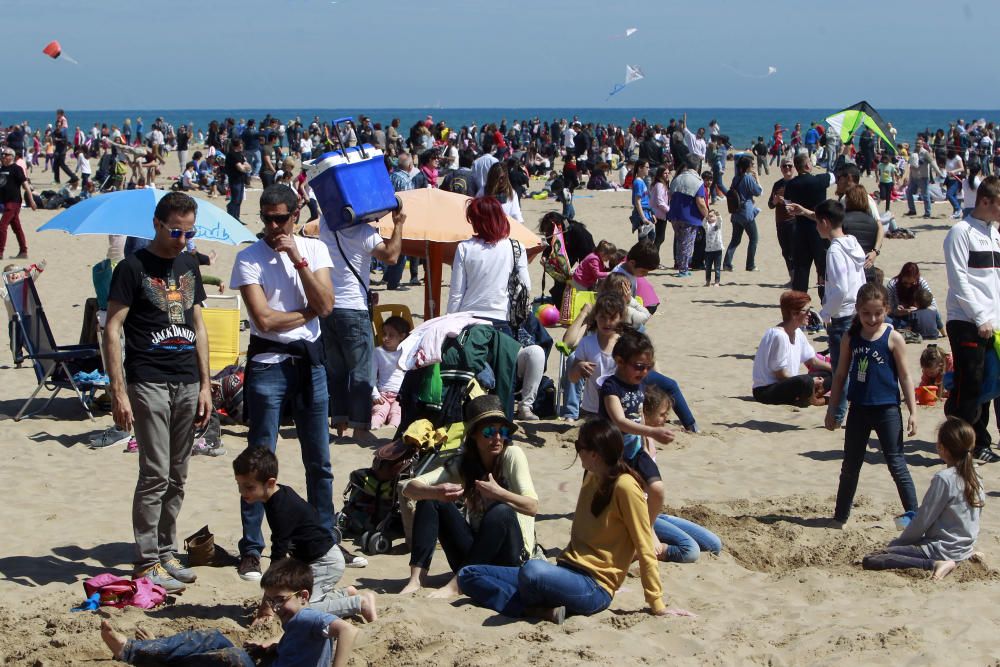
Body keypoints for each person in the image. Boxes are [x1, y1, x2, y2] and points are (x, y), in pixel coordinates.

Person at [103, 192, 212, 593]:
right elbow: (112, 329)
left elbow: (199, 326)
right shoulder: (132, 268)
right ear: (157, 224)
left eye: (189, 232)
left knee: (178, 474)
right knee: (154, 473)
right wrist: (118, 391)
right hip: (147, 379)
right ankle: (147, 559)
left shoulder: (188, 264)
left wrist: (206, 384)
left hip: (187, 380)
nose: (183, 239)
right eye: (176, 231)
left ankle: (166, 552)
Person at [457, 419, 669, 623]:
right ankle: (536, 610)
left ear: (594, 454)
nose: (576, 451)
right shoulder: (591, 477)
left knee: (533, 571)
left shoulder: (625, 487)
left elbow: (644, 545)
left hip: (594, 587)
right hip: (567, 571)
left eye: (579, 446)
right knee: (468, 574)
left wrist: (657, 603)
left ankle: (526, 605)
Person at [230, 185, 336, 581]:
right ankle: (252, 549)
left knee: (319, 460)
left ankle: (323, 539)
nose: (273, 226)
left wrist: (297, 259)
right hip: (268, 364)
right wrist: (309, 312)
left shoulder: (315, 251)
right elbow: (264, 321)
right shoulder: (248, 258)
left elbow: (327, 306)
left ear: (296, 215)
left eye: (281, 218)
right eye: (266, 218)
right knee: (258, 458)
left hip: (310, 364)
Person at [98, 558, 358, 667]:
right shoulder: (299, 617)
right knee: (214, 639)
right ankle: (154, 651)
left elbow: (347, 629)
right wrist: (273, 644)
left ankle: (134, 652)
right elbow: (300, 640)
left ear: (303, 596)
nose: (276, 607)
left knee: (229, 654)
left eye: (280, 600)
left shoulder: (307, 616)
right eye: (270, 601)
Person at [400, 394, 538, 598]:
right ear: (473, 434)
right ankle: (416, 579)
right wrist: (435, 491)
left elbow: (532, 507)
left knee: (501, 511)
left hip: (511, 559)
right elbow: (409, 488)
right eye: (489, 432)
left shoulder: (512, 455)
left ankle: (457, 585)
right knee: (430, 499)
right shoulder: (464, 464)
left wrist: (499, 493)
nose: (497, 438)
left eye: (503, 432)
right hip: (475, 556)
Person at [233, 448, 376, 621]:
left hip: (324, 562)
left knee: (299, 609)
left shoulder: (280, 508)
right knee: (293, 602)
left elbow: (278, 556)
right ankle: (345, 595)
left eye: (249, 487)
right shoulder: (278, 495)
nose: (242, 492)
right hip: (313, 560)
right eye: (239, 485)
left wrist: (267, 604)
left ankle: (359, 603)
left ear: (270, 483)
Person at [825, 282, 918, 524]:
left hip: (887, 409)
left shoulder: (893, 337)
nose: (872, 318)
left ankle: (915, 516)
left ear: (886, 309)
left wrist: (913, 411)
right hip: (859, 409)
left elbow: (906, 376)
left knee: (897, 463)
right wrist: (832, 408)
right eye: (866, 313)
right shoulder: (851, 337)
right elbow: (840, 375)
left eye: (878, 313)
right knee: (850, 466)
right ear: (857, 310)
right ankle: (840, 517)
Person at [319, 198, 405, 439]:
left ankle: (339, 424)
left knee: (336, 370)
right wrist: (398, 224)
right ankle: (359, 427)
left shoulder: (326, 224)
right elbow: (391, 256)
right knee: (361, 372)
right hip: (353, 309)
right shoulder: (363, 232)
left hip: (329, 307)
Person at [861, 417, 984, 580]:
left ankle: (935, 564)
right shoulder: (976, 478)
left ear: (942, 448)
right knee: (897, 542)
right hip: (963, 548)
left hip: (941, 549)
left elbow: (923, 520)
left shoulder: (944, 478)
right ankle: (964, 557)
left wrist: (899, 543)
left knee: (872, 559)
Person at [943, 176, 1000, 463]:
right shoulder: (960, 232)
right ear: (986, 201)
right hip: (965, 319)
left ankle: (979, 441)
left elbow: (995, 281)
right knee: (971, 384)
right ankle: (960, 445)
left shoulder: (995, 234)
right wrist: (979, 317)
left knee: (988, 383)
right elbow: (959, 281)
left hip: (993, 322)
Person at [642, 387, 722, 563]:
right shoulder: (636, 443)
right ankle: (645, 549)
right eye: (662, 414)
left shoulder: (650, 439)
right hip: (639, 516)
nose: (667, 418)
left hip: (654, 513)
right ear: (645, 414)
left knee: (714, 544)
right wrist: (650, 531)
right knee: (690, 551)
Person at [447, 196, 529, 337]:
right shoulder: (516, 247)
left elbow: (456, 294)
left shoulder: (464, 248)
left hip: (469, 320)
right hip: (502, 319)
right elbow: (525, 286)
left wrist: (449, 325)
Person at [816, 200, 867, 424]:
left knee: (841, 370)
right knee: (859, 367)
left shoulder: (835, 251)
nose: (817, 227)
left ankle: (838, 415)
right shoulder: (853, 243)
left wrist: (824, 312)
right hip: (858, 312)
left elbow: (840, 289)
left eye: (818, 223)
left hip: (844, 315)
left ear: (825, 223)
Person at [752, 290, 832, 407]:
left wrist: (835, 370)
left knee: (830, 374)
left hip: (788, 384)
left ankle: (808, 396)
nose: (810, 314)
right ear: (794, 313)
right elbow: (780, 375)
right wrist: (811, 382)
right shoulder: (779, 336)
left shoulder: (797, 332)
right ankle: (813, 399)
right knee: (805, 381)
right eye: (806, 311)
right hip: (767, 389)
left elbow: (812, 361)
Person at [784, 153, 835, 297]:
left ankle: (799, 300)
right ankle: (824, 298)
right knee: (823, 267)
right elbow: (835, 174)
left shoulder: (791, 184)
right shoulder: (819, 180)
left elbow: (788, 205)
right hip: (818, 228)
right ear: (807, 165)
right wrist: (843, 152)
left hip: (800, 229)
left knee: (801, 268)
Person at [668, 155, 708, 277]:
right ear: (697, 166)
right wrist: (707, 215)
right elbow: (700, 202)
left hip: (675, 214)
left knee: (680, 241)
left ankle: (681, 266)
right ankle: (683, 269)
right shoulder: (697, 181)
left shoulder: (677, 178)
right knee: (687, 243)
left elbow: (670, 195)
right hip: (689, 216)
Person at [723, 155, 763, 273]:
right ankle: (750, 265)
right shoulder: (748, 178)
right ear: (748, 166)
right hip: (746, 213)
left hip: (736, 213)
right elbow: (758, 192)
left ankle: (727, 263)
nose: (753, 166)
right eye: (752, 164)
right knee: (754, 238)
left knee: (735, 239)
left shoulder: (736, 178)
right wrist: (757, 179)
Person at [370, 315, 409, 430]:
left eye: (391, 335)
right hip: (383, 394)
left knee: (397, 412)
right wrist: (375, 394)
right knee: (379, 411)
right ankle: (375, 427)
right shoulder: (378, 352)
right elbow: (371, 375)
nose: (386, 338)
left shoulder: (406, 352)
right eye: (384, 334)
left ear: (402, 336)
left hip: (400, 395)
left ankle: (392, 428)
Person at [0, 147, 36, 260]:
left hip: (14, 202)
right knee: (17, 227)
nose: (3, 156)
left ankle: (0, 252)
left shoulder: (17, 169)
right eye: (2, 154)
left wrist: (31, 200)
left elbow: (25, 186)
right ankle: (23, 251)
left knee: (2, 226)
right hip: (4, 202)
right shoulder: (1, 169)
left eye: (5, 154)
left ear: (12, 156)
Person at [768, 156, 796, 281]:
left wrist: (785, 201)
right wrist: (774, 201)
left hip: (794, 221)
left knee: (795, 250)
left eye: (790, 166)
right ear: (781, 168)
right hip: (780, 222)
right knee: (785, 251)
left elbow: (802, 202)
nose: (787, 168)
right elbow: (770, 205)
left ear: (794, 168)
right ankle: (792, 276)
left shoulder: (797, 183)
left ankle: (796, 277)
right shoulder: (777, 184)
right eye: (784, 166)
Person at [886, 262, 937, 327]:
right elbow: (889, 309)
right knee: (887, 320)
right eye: (905, 283)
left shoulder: (922, 283)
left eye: (912, 283)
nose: (908, 286)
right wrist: (899, 311)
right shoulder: (892, 285)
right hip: (900, 318)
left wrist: (918, 310)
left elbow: (933, 307)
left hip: (919, 317)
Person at [225, 138, 251, 221]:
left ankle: (236, 217)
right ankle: (232, 216)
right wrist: (244, 167)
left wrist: (245, 167)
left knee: (239, 199)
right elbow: (241, 168)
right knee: (235, 199)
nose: (242, 145)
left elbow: (249, 167)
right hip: (234, 180)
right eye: (241, 143)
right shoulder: (232, 154)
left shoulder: (240, 154)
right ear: (238, 145)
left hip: (241, 179)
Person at [629, 159, 655, 241]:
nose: (648, 169)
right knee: (644, 242)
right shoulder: (638, 182)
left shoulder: (641, 181)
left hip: (647, 213)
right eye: (647, 167)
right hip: (642, 214)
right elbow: (637, 202)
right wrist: (643, 218)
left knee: (651, 239)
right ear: (640, 168)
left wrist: (652, 213)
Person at [649, 166, 671, 259]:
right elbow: (660, 201)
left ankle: (653, 258)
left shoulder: (663, 184)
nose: (667, 175)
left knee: (659, 238)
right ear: (660, 174)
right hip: (659, 214)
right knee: (659, 238)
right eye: (665, 173)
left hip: (661, 213)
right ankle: (653, 258)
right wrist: (669, 210)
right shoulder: (659, 185)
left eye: (668, 173)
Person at [702, 209, 724, 286]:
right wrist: (705, 217)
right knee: (708, 267)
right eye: (709, 216)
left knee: (717, 267)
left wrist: (718, 215)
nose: (710, 218)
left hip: (718, 250)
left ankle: (717, 282)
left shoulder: (717, 225)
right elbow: (703, 223)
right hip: (708, 251)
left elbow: (720, 221)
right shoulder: (707, 226)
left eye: (712, 216)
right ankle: (708, 281)